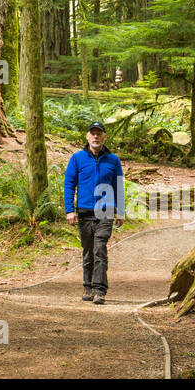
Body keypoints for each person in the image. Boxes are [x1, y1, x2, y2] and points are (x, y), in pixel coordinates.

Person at [64, 120, 125, 304]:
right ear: (88, 137)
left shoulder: (113, 160)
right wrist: (69, 210)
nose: (96, 136)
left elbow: (119, 186)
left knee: (100, 249)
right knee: (88, 251)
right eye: (93, 133)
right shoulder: (77, 158)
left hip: (105, 212)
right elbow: (69, 184)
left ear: (105, 137)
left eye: (99, 133)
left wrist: (120, 211)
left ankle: (100, 290)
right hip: (84, 212)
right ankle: (87, 287)